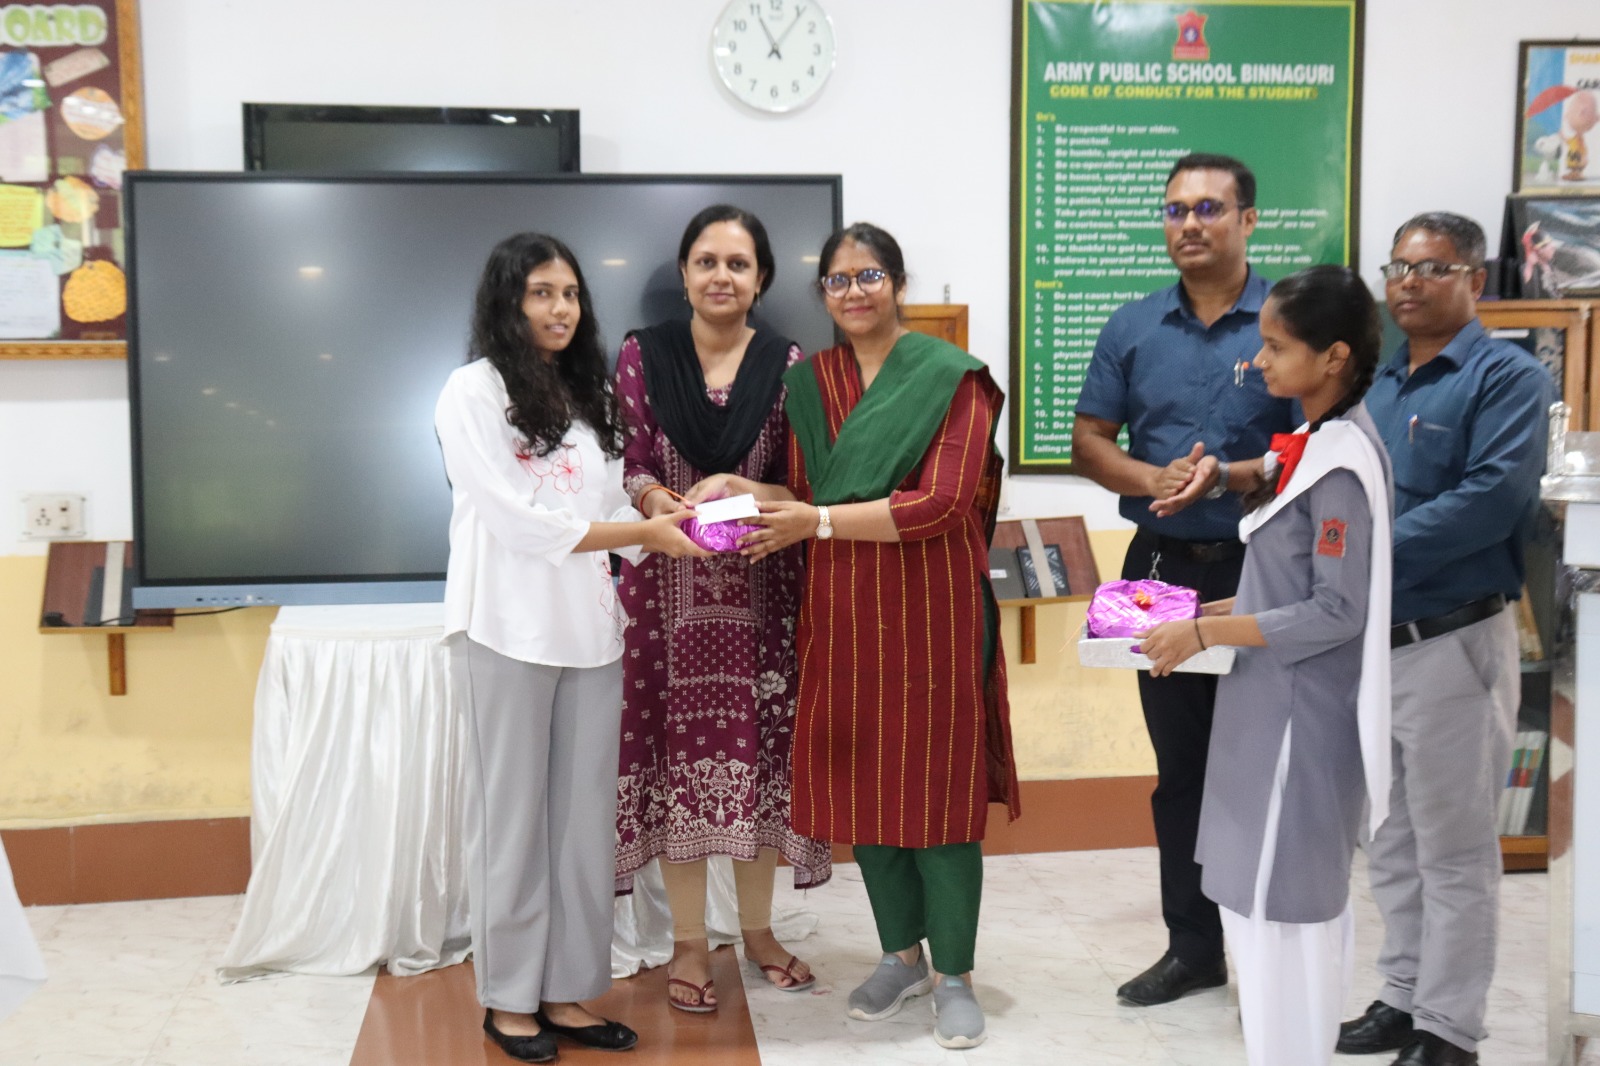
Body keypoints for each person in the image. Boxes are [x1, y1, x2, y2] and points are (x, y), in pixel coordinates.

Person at [737, 222, 1019, 1050]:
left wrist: (816, 520)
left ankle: (955, 974)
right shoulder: (811, 383)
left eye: (869, 276)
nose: (854, 291)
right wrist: (738, 489)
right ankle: (902, 956)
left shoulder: (952, 377)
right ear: (822, 293)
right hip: (843, 612)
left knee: (938, 798)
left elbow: (941, 503)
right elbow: (805, 492)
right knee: (868, 792)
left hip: (933, 614)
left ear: (897, 283)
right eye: (838, 280)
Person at [434, 232, 709, 1064]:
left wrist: (658, 507)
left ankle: (564, 992)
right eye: (541, 293)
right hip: (504, 630)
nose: (560, 309)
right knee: (513, 826)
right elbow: (519, 522)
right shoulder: (472, 391)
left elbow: (611, 496)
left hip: (590, 634)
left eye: (570, 294)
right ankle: (509, 1001)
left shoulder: (589, 394)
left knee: (583, 829)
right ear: (507, 302)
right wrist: (643, 535)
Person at [1138, 266, 1394, 1066]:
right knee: (1255, 914)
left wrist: (1209, 634)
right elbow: (1285, 583)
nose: (1260, 362)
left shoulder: (1343, 462)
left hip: (1299, 718)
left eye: (1278, 347)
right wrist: (1204, 613)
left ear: (1335, 356)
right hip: (1268, 706)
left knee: (1287, 923)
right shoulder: (1313, 444)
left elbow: (1336, 610)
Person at [1072, 152, 1297, 1006]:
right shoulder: (1133, 326)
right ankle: (1193, 948)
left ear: (1248, 219)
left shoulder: (1285, 322)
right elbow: (1089, 440)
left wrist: (1229, 478)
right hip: (1158, 572)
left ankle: (1273, 950)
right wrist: (1151, 478)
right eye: (1175, 210)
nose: (1190, 223)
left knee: (1268, 768)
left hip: (1263, 568)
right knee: (1182, 771)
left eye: (1209, 208)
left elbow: (1315, 446)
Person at [1336, 213, 1555, 1066]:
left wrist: (1367, 550)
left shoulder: (1508, 377)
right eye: (1398, 267)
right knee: (1390, 841)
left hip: (1454, 642)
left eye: (1431, 268)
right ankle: (1402, 996)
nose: (1408, 283)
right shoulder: (1379, 383)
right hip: (1373, 644)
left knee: (1455, 850)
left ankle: (1450, 1029)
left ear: (1475, 278)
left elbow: (1492, 499)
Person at [612, 204, 830, 1014]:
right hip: (664, 595)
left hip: (763, 595)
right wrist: (660, 503)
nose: (721, 277)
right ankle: (689, 943)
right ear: (684, 272)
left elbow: (802, 483)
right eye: (706, 261)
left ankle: (760, 933)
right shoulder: (643, 355)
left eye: (738, 264)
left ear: (761, 278)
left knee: (757, 769)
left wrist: (744, 487)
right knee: (678, 768)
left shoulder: (788, 364)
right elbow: (629, 458)